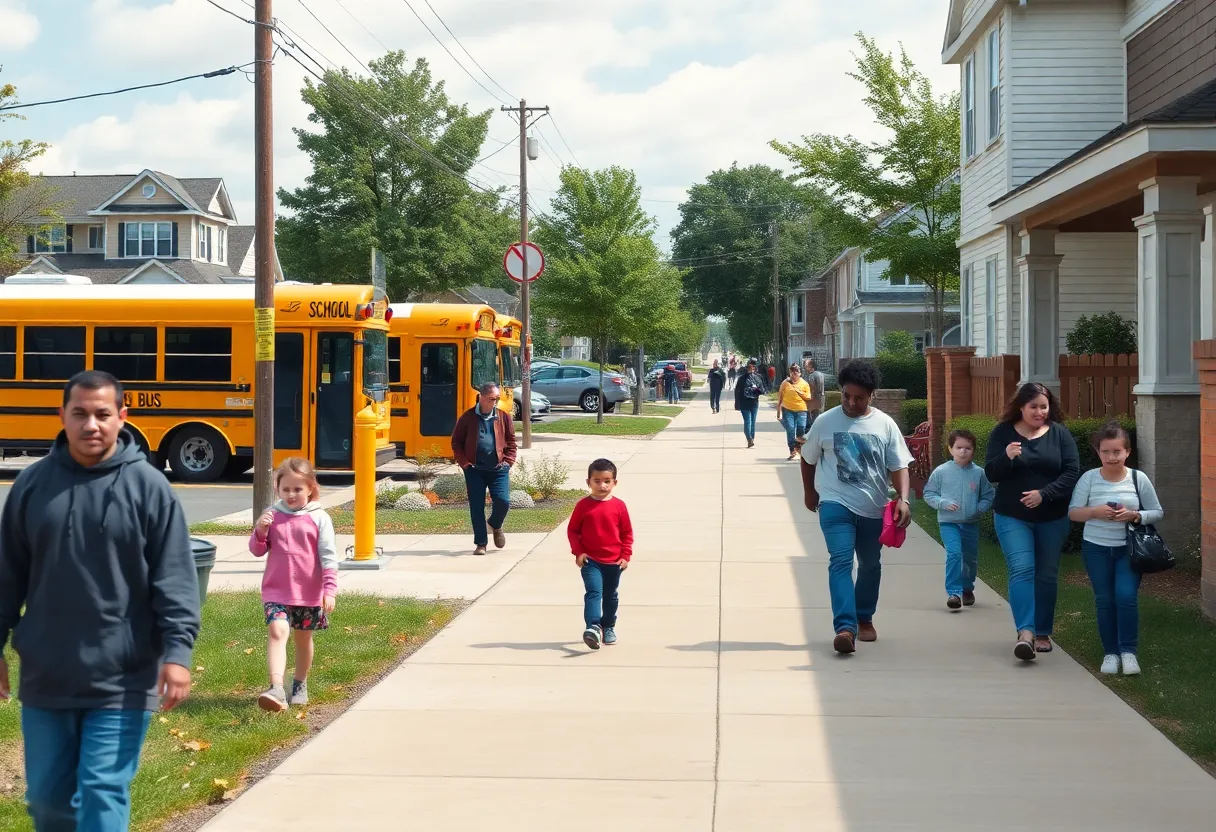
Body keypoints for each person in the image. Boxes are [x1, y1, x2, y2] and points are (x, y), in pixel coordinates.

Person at [0, 370, 200, 830]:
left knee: (101, 791)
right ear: (62, 417)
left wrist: (178, 653)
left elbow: (175, 578)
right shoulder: (31, 487)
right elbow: (7, 574)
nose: (92, 425)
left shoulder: (149, 488)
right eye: (80, 414)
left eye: (103, 414)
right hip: (47, 676)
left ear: (122, 417)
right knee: (48, 802)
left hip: (123, 677)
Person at [799, 360, 913, 654]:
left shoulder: (885, 424)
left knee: (870, 564)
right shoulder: (825, 421)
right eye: (847, 395)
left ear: (871, 395)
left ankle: (865, 617)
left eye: (859, 397)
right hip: (835, 504)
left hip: (873, 508)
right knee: (840, 561)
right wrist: (810, 492)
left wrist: (903, 498)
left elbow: (899, 465)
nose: (851, 402)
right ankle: (845, 629)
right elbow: (808, 458)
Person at [985, 382, 1080, 661]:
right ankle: (1025, 632)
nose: (1039, 412)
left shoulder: (1060, 434)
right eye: (1033, 407)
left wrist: (1044, 494)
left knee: (1047, 574)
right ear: (1020, 407)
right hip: (1012, 516)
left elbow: (1072, 471)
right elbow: (991, 472)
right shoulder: (1003, 433)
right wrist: (1007, 457)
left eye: (1044, 406)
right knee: (1022, 569)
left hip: (1052, 516)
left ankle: (1042, 632)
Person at [1068, 421, 1163, 676]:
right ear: (1098, 452)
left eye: (1117, 452)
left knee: (1126, 597)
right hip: (1096, 549)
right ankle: (1110, 652)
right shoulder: (1089, 479)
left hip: (1128, 550)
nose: (1111, 457)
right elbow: (1074, 513)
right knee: (1105, 600)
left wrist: (1134, 515)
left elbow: (1157, 512)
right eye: (1106, 451)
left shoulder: (1137, 478)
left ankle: (1129, 652)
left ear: (1127, 452)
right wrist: (1095, 512)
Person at [250, 458, 339, 711]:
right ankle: (276, 687)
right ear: (277, 488)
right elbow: (257, 550)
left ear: (311, 488)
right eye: (285, 489)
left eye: (297, 489)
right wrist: (260, 531)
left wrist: (329, 589)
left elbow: (329, 556)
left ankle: (299, 683)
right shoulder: (272, 515)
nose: (291, 494)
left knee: (303, 640)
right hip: (276, 590)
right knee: (278, 631)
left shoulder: (320, 518)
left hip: (309, 592)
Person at [923, 429, 995, 610]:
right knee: (954, 554)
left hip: (970, 523)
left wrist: (980, 508)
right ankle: (954, 593)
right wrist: (942, 503)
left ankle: (967, 588)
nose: (963, 451)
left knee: (970, 558)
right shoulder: (941, 472)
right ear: (951, 449)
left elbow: (989, 495)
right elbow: (929, 493)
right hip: (948, 522)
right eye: (959, 447)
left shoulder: (979, 473)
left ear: (973, 450)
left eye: (968, 448)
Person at [568, 459, 634, 650]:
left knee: (610, 596)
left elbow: (627, 533)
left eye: (607, 481)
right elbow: (573, 530)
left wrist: (625, 555)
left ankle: (609, 626)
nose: (602, 485)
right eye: (597, 481)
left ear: (615, 483)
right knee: (594, 592)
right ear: (588, 482)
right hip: (591, 560)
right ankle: (593, 627)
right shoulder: (583, 506)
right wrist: (578, 552)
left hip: (614, 562)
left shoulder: (619, 506)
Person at [452, 382, 517, 556]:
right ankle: (481, 543)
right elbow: (456, 442)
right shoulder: (467, 417)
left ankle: (496, 524)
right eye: (491, 399)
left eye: (497, 399)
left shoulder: (503, 417)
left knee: (503, 501)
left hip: (498, 469)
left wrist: (508, 462)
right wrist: (464, 463)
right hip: (474, 469)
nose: (495, 402)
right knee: (476, 506)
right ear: (481, 397)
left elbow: (511, 442)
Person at [775, 364, 813, 461]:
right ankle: (792, 450)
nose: (794, 374)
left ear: (800, 374)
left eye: (796, 372)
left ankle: (799, 447)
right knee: (790, 429)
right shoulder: (785, 383)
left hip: (801, 410)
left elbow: (808, 397)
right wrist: (778, 411)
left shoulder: (804, 384)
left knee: (801, 428)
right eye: (792, 372)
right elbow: (780, 397)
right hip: (788, 410)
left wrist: (799, 391)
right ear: (790, 373)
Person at [734, 358, 765, 449]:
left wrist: (757, 390)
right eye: (750, 367)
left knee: (753, 421)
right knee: (748, 421)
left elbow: (762, 390)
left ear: (755, 368)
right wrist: (737, 404)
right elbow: (737, 391)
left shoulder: (758, 377)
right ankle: (749, 439)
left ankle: (752, 438)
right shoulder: (741, 379)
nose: (751, 368)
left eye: (753, 367)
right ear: (747, 367)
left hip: (754, 402)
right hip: (744, 403)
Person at [803, 358, 826, 430]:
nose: (805, 367)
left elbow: (811, 388)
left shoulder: (811, 376)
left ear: (811, 367)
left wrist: (809, 399)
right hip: (821, 397)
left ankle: (813, 431)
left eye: (806, 366)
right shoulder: (821, 374)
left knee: (812, 416)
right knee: (819, 415)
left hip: (814, 399)